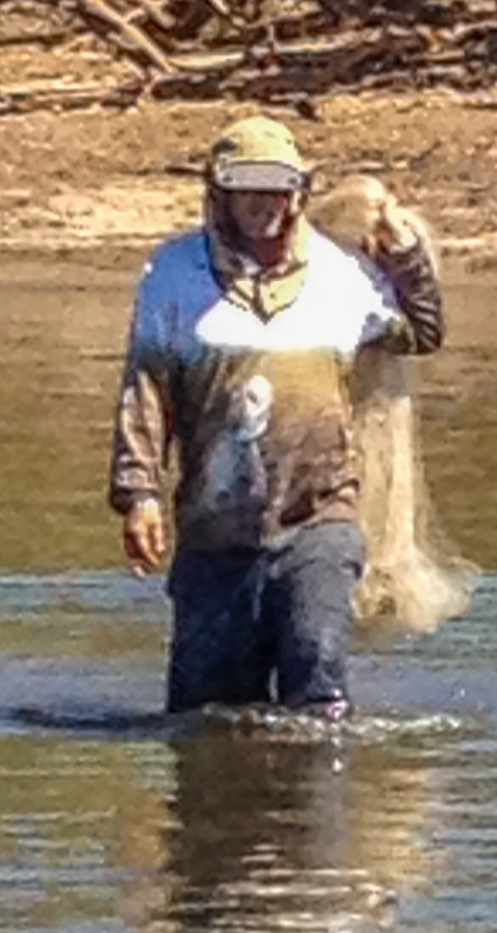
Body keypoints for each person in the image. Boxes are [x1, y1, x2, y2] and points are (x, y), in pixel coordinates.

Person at [108, 114, 445, 716]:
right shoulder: (173, 276)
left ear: (297, 196)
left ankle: (315, 803)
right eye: (246, 189)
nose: (262, 204)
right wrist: (139, 494)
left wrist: (408, 261)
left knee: (318, 685)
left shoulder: (342, 277)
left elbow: (420, 335)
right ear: (219, 194)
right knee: (204, 714)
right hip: (215, 533)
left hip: (320, 517)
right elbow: (146, 389)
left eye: (276, 189)